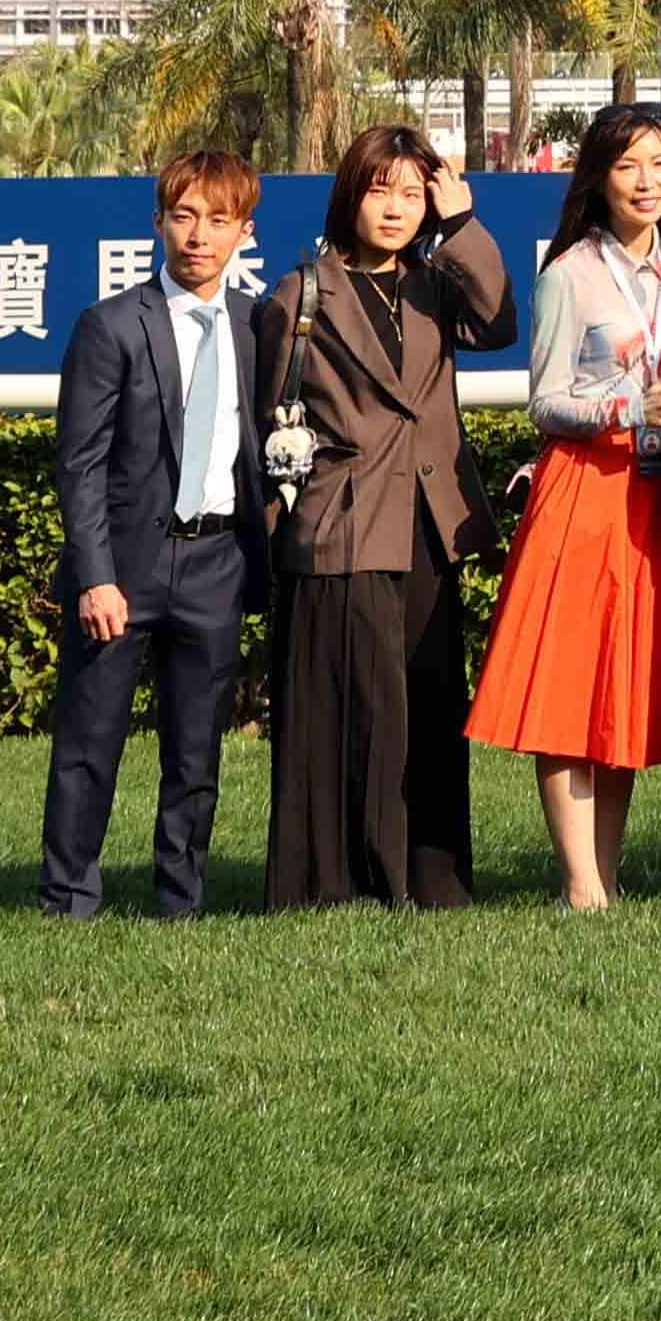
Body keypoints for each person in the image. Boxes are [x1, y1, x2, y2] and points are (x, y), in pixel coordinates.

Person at [256, 123, 516, 912]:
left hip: (430, 520)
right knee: (359, 708)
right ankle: (346, 878)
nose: (397, 208)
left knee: (432, 704)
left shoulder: (436, 283)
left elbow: (499, 323)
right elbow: (268, 421)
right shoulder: (302, 292)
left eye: (412, 193)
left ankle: (432, 877)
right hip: (344, 521)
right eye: (381, 190)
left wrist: (463, 221)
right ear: (350, 195)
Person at [465, 100, 661, 910]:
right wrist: (628, 410)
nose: (647, 180)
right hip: (585, 493)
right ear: (599, 180)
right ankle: (579, 882)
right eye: (628, 165)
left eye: (660, 162)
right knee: (572, 689)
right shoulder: (569, 272)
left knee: (627, 686)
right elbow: (545, 401)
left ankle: (607, 874)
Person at [37, 148, 267, 919]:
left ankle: (181, 900)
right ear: (160, 222)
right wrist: (96, 575)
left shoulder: (258, 327)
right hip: (125, 570)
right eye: (184, 215)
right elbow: (81, 465)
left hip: (218, 564)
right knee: (88, 743)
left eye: (218, 219)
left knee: (196, 752)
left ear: (244, 232)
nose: (198, 235)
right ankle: (69, 896)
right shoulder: (110, 326)